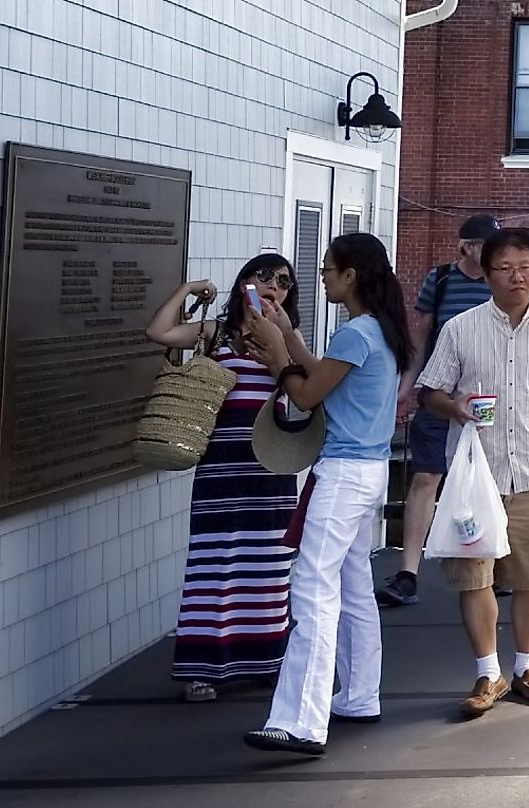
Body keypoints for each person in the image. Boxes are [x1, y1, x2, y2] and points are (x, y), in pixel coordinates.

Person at [419, 230, 529, 720]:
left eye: (525, 267)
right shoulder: (460, 328)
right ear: (487, 272)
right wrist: (455, 406)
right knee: (473, 577)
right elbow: (429, 391)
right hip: (475, 476)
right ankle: (487, 671)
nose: (517, 276)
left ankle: (527, 667)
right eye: (505, 268)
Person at [242, 233, 411, 756]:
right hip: (371, 470)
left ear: (351, 276)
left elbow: (306, 393)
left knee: (312, 587)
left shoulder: (355, 333)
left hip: (341, 475)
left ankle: (300, 720)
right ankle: (359, 694)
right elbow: (322, 374)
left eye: (327, 270)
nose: (321, 277)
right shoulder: (378, 330)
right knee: (354, 583)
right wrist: (288, 335)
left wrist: (274, 352)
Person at [143, 255, 302, 702]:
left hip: (271, 464)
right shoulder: (215, 334)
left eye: (284, 283)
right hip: (221, 464)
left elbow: (301, 392)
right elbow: (158, 333)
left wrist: (280, 339)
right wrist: (188, 290)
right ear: (244, 284)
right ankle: (203, 668)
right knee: (214, 564)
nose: (273, 287)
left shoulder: (287, 339)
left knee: (268, 568)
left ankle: (264, 662)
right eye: (263, 277)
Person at [379, 215, 499, 610]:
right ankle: (408, 572)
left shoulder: (504, 280)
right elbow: (420, 334)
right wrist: (405, 387)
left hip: (487, 397)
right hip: (440, 391)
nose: (492, 252)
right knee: (426, 477)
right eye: (485, 245)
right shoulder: (442, 280)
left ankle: (493, 563)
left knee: (493, 479)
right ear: (465, 246)